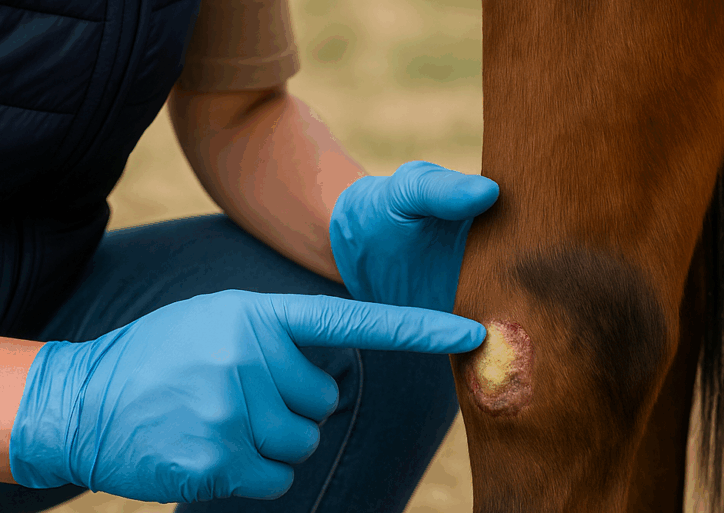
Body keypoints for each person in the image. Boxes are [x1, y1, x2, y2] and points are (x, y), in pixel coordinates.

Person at [0, 0, 499, 512]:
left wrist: (344, 225)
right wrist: (60, 402)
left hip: (44, 290)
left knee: (373, 328)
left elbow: (236, 108)